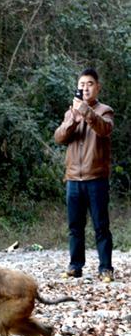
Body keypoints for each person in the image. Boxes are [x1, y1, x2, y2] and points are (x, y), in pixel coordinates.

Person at [54, 68, 115, 283]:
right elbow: (59, 137)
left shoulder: (105, 110)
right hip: (73, 179)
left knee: (101, 226)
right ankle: (75, 266)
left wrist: (87, 112)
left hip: (95, 178)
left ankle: (106, 268)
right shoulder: (71, 112)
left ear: (97, 87)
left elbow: (104, 129)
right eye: (81, 84)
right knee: (74, 227)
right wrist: (73, 117)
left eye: (89, 83)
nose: (85, 87)